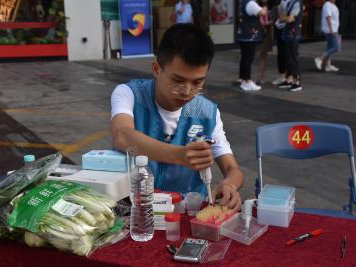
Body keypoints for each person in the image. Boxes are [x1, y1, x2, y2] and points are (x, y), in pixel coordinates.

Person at [111, 24, 244, 211]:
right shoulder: (129, 94)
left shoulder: (207, 112)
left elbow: (233, 169)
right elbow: (123, 136)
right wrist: (180, 155)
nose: (187, 91)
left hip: (187, 211)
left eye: (198, 82)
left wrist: (229, 185)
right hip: (136, 210)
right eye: (178, 80)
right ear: (157, 69)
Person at [237, 0, 268, 91]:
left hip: (243, 34)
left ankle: (243, 79)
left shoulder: (242, 3)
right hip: (250, 35)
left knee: (244, 58)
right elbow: (263, 12)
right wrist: (265, 4)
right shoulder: (251, 3)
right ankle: (247, 81)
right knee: (248, 58)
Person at [277, 0, 303, 92]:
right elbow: (283, 16)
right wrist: (283, 16)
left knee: (293, 58)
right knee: (288, 58)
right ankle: (290, 80)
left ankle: (297, 82)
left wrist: (283, 17)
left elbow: (290, 19)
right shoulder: (290, 3)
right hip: (288, 34)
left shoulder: (297, 3)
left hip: (293, 34)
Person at [314, 0, 340, 72]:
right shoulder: (327, 5)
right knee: (336, 47)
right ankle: (319, 59)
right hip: (330, 31)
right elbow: (328, 17)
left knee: (330, 47)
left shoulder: (333, 5)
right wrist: (331, 30)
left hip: (333, 30)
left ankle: (328, 66)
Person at [258, 0, 276, 84]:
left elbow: (274, 19)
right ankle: (247, 77)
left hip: (266, 32)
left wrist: (268, 22)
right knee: (251, 54)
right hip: (257, 31)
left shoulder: (272, 7)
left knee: (263, 54)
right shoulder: (256, 5)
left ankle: (261, 76)